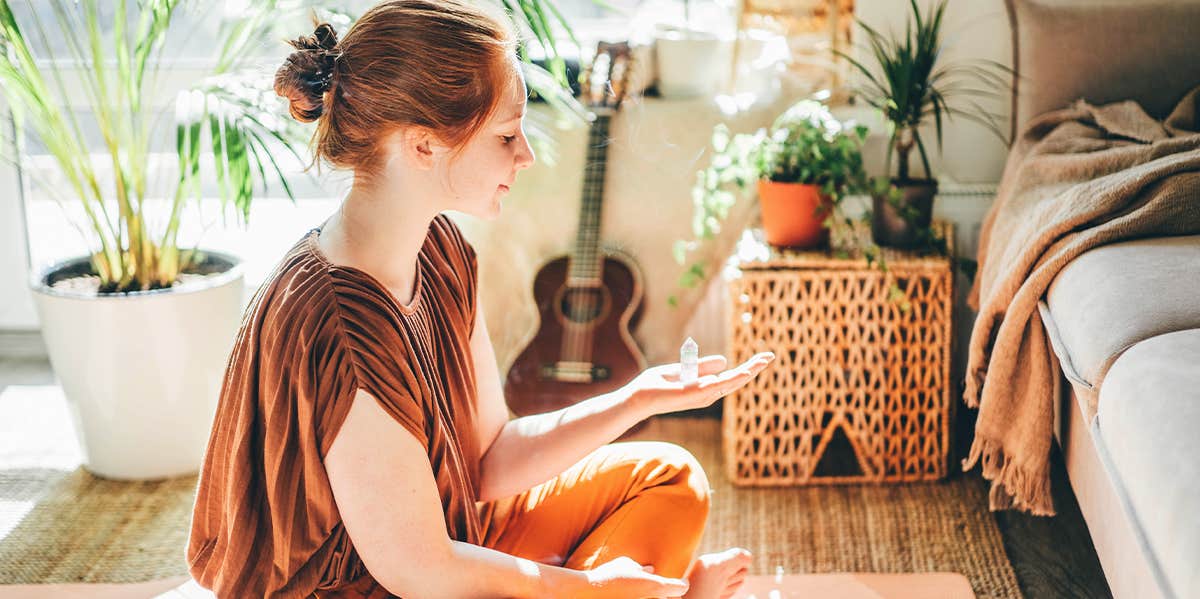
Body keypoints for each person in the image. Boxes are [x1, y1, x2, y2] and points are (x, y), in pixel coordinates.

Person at [186, 1, 776, 597]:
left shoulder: (440, 248)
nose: (527, 154)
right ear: (422, 146)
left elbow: (489, 460)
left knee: (669, 476)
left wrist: (636, 396)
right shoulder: (343, 326)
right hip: (381, 586)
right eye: (505, 135)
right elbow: (424, 572)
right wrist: (591, 588)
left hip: (451, 535)